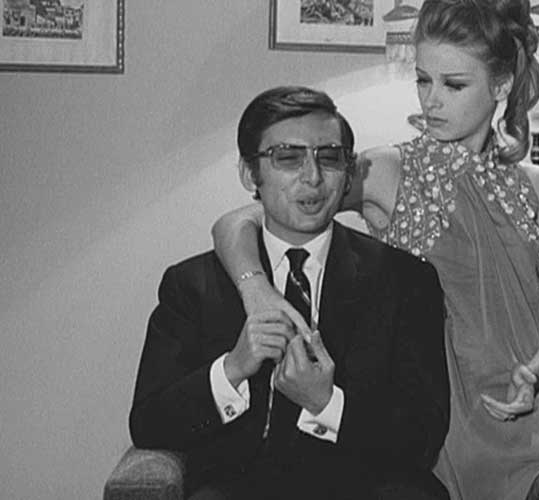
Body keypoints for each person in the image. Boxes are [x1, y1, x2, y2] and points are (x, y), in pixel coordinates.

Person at [212, 1, 539, 499]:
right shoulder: (386, 171)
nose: (431, 100)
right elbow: (237, 221)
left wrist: (533, 374)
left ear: (501, 85)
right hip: (459, 398)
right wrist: (256, 291)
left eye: (453, 85)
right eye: (423, 80)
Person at [129, 86, 450, 500]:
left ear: (348, 172)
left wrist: (326, 403)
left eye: (329, 157)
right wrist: (231, 369)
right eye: (288, 158)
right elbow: (149, 424)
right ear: (250, 174)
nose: (312, 177)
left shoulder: (405, 280)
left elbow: (422, 435)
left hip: (366, 485)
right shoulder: (192, 286)